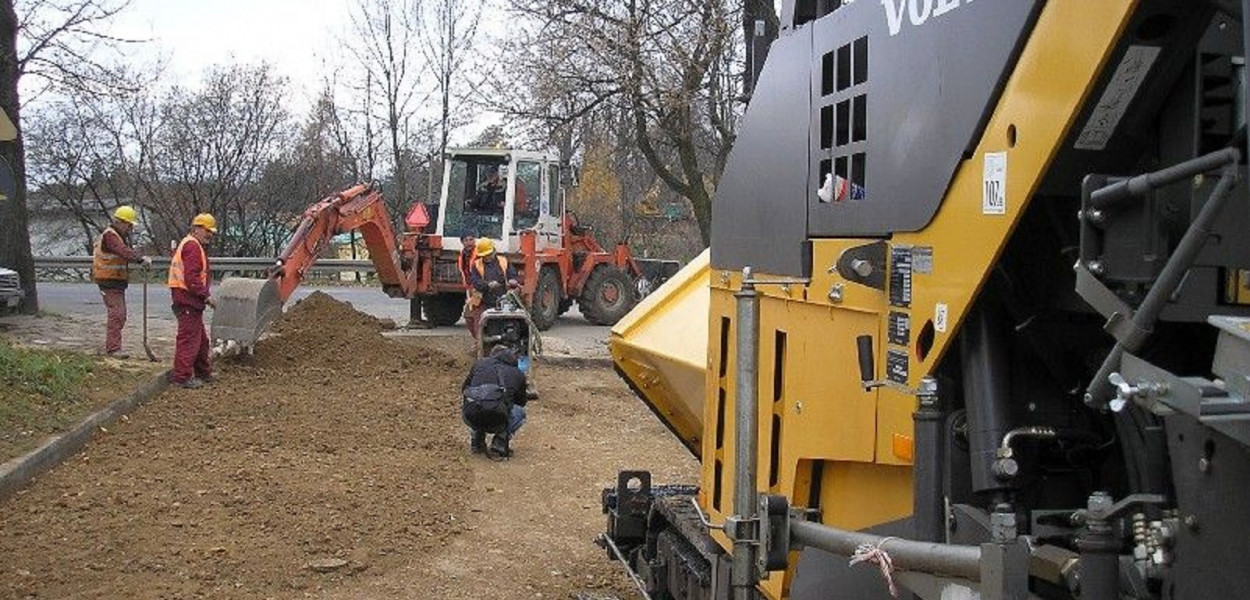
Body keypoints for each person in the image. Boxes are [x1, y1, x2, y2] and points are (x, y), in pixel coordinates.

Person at [92, 205, 151, 359]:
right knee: (117, 314)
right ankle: (113, 349)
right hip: (108, 280)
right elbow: (122, 251)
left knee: (119, 314)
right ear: (120, 222)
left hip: (114, 281)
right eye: (129, 225)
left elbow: (124, 252)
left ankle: (113, 347)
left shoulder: (117, 235)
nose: (130, 228)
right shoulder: (110, 236)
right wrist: (140, 259)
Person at [168, 213, 217, 389]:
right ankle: (181, 377)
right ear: (197, 229)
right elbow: (192, 278)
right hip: (187, 299)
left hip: (188, 299)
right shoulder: (193, 247)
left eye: (211, 232)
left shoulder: (192, 244)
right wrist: (206, 296)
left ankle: (203, 372)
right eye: (207, 231)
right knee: (189, 340)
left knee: (201, 340)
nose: (209, 235)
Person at [461, 344, 528, 457]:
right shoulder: (518, 374)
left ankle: (476, 440)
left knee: (474, 401)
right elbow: (521, 402)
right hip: (498, 418)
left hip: (471, 416)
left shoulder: (479, 364)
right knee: (519, 412)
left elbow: (464, 389)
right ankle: (500, 442)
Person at [465, 238, 517, 339]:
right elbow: (475, 282)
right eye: (484, 256)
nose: (487, 257)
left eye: (488, 254)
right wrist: (488, 285)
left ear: (494, 251)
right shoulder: (476, 264)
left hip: (503, 300)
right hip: (483, 301)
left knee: (509, 324)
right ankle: (479, 342)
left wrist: (512, 280)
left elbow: (512, 274)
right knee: (473, 321)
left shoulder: (503, 261)